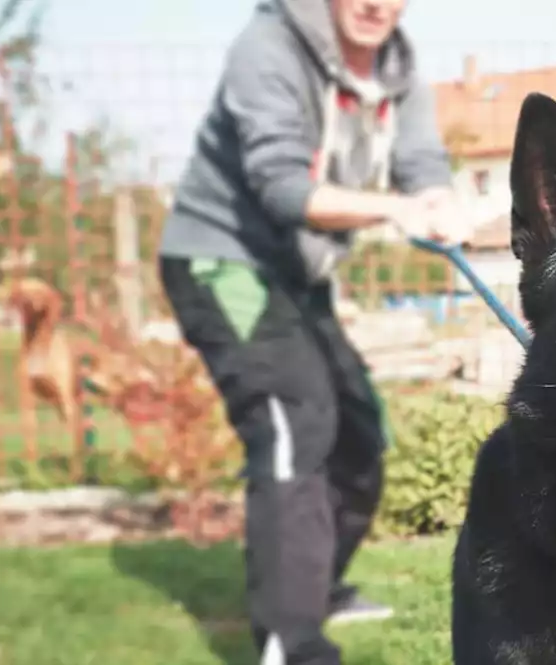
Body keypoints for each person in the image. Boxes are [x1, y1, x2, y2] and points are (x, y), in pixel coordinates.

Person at [155, 0, 464, 663]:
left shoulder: (399, 69)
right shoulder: (267, 48)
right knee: (296, 419)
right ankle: (288, 641)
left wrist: (437, 201)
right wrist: (398, 210)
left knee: (359, 432)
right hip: (222, 261)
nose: (376, 4)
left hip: (298, 277)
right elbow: (283, 188)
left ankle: (317, 588)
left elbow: (422, 163)